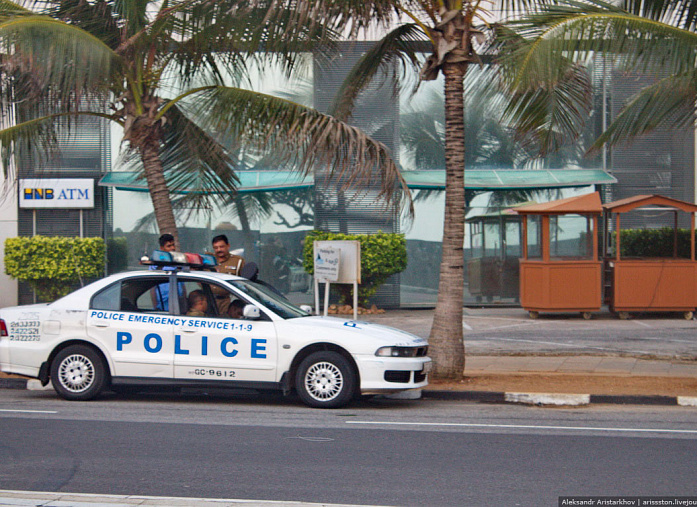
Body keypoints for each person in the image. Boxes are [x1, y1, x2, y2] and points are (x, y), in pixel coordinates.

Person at [211, 234, 245, 314]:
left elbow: (243, 283)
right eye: (216, 248)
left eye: (221, 247)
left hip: (227, 302)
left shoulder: (237, 261)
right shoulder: (208, 260)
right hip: (209, 301)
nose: (219, 250)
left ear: (228, 246)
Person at [151, 233, 177, 311]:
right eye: (169, 246)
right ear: (162, 248)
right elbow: (152, 289)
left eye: (173, 245)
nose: (172, 248)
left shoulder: (178, 263)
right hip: (162, 307)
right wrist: (156, 307)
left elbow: (182, 287)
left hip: (177, 305)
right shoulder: (156, 265)